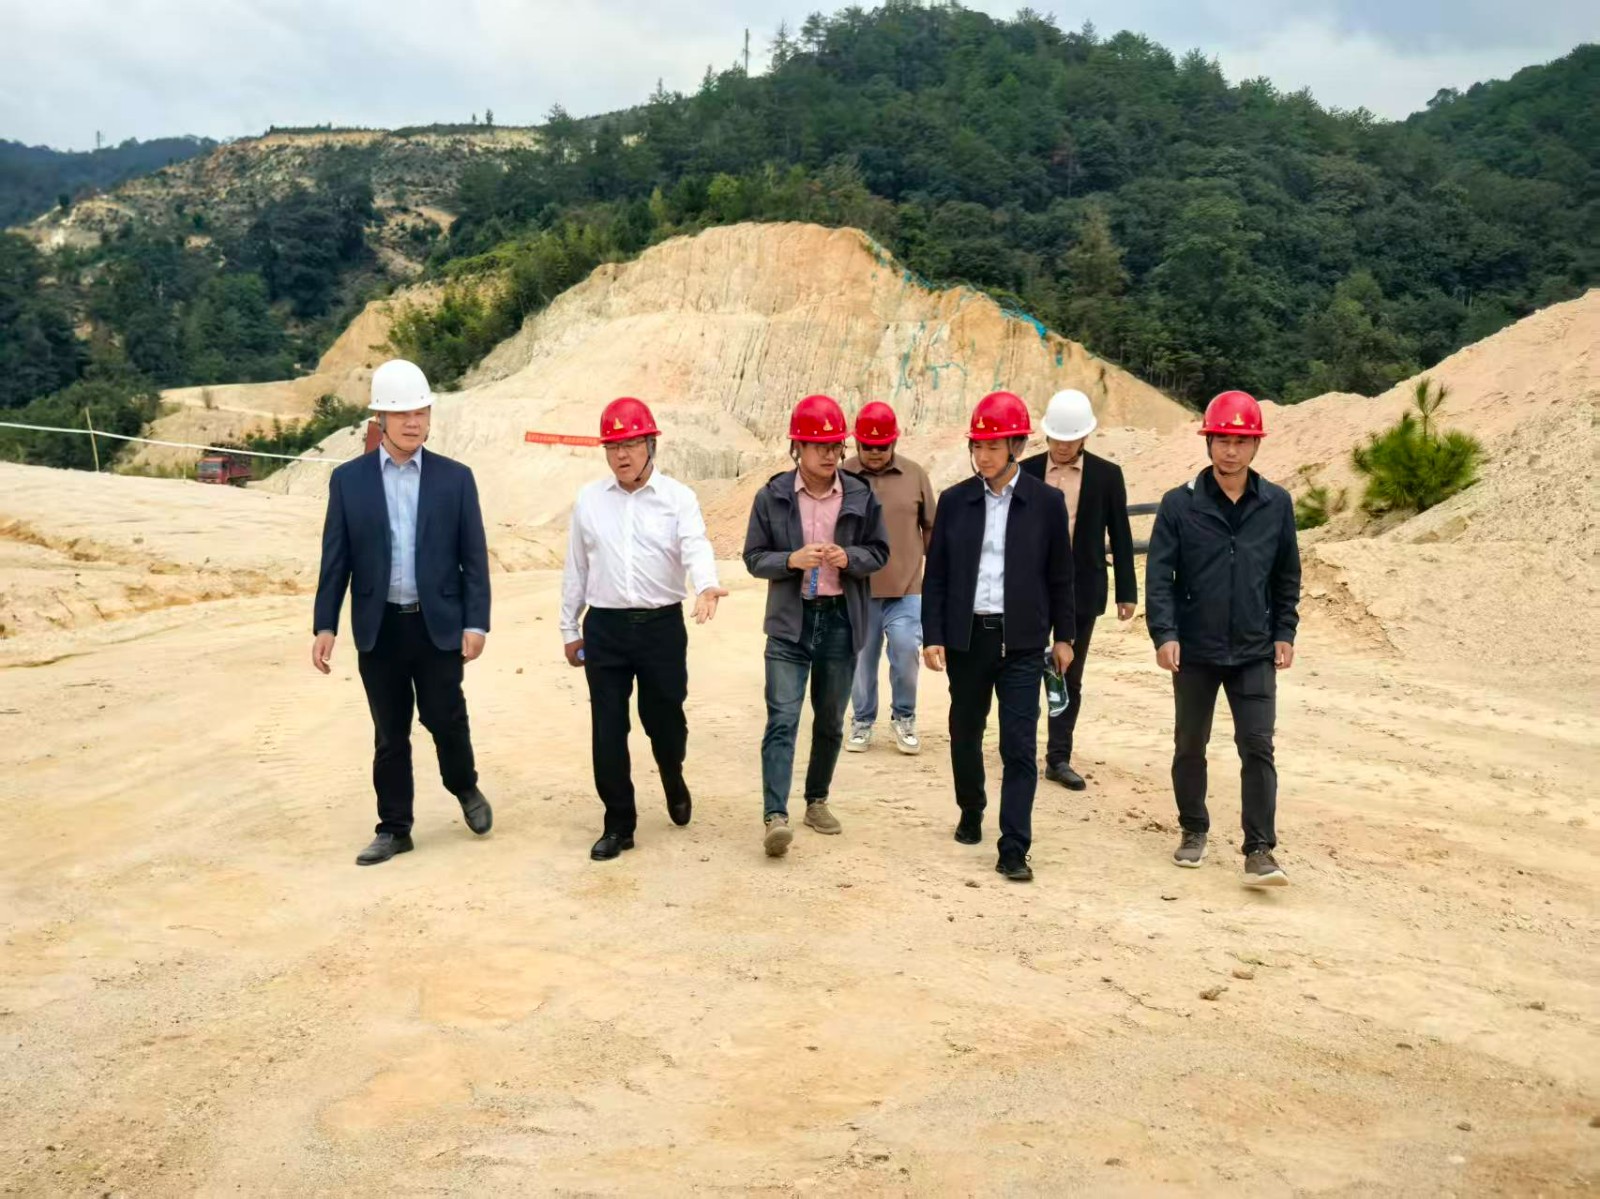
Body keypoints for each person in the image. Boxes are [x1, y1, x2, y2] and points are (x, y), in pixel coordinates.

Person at [312, 358, 493, 867]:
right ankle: (394, 828)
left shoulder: (456, 479)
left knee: (445, 718)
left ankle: (465, 786)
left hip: (437, 625)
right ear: (381, 419)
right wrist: (325, 624)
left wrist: (475, 623)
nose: (414, 423)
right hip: (380, 627)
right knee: (390, 732)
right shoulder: (348, 481)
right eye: (402, 414)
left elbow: (474, 559)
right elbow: (336, 559)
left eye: (421, 412)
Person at [560, 398, 728, 861]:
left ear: (650, 444)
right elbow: (576, 567)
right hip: (606, 628)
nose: (622, 455)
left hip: (661, 628)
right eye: (613, 446)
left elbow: (695, 545)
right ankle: (619, 823)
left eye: (631, 443)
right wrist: (569, 627)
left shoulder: (678, 498)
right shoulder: (589, 501)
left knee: (665, 720)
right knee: (607, 728)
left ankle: (672, 772)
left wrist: (706, 585)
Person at [1145, 389, 1301, 887]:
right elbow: (1159, 576)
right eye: (1222, 440)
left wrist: (1285, 631)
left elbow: (1287, 575)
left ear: (1255, 445)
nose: (1231, 451)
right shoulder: (1180, 504)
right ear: (1208, 442)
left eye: (1241, 441)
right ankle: (1193, 829)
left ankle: (1259, 849)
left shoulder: (1276, 504)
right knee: (1190, 743)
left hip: (1254, 648)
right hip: (1195, 649)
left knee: (1257, 745)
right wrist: (1165, 633)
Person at [922, 391, 1075, 882]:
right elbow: (937, 575)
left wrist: (1065, 637)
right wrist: (933, 634)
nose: (983, 455)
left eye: (993, 446)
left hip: (1023, 643)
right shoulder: (955, 502)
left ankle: (1014, 846)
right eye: (978, 446)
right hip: (968, 638)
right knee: (965, 732)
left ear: (1017, 446)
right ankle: (971, 807)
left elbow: (1061, 576)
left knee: (1019, 745)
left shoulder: (1046, 503)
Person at [743, 394, 889, 858]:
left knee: (829, 720)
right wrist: (791, 560)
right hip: (790, 623)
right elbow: (753, 558)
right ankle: (775, 815)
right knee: (782, 718)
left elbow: (880, 552)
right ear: (797, 448)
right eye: (819, 446)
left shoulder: (861, 495)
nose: (829, 454)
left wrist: (850, 558)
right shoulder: (772, 496)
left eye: (835, 446)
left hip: (841, 619)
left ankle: (816, 801)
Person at [1020, 389, 1138, 790]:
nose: (1063, 446)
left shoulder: (1107, 476)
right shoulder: (1025, 471)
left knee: (1067, 674)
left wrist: (1126, 591)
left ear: (1085, 435)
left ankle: (1058, 757)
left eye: (1070, 439)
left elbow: (1120, 535)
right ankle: (1020, 748)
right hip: (1030, 589)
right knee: (1022, 670)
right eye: (1056, 438)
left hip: (1081, 589)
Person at [842, 401, 938, 756]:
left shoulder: (915, 475)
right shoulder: (842, 475)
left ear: (894, 442)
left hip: (906, 588)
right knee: (861, 661)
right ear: (857, 443)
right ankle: (862, 721)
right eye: (868, 446)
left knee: (905, 651)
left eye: (882, 446)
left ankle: (904, 717)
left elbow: (931, 527)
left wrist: (936, 576)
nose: (875, 452)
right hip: (858, 589)